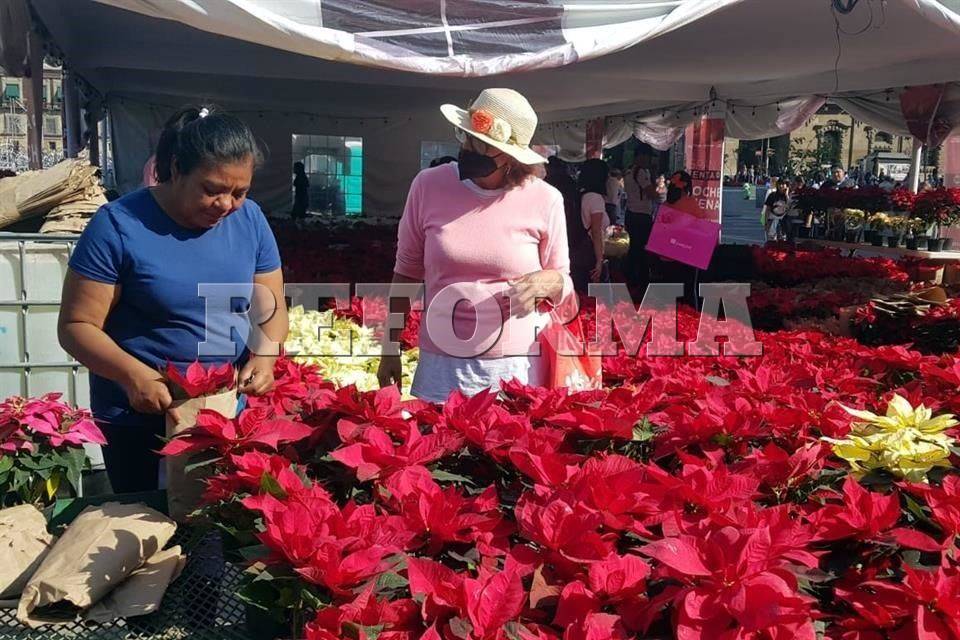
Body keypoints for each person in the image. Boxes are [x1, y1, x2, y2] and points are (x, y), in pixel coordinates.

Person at [58, 105, 288, 493]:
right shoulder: (118, 225)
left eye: (240, 192)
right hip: (139, 413)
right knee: (142, 527)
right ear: (177, 168)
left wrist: (265, 356)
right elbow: (77, 326)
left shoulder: (251, 221)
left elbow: (272, 307)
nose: (227, 204)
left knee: (211, 530)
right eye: (212, 189)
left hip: (220, 409)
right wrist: (134, 376)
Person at [377, 88, 573, 402]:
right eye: (466, 138)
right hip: (442, 366)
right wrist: (390, 347)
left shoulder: (545, 199)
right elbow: (406, 274)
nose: (470, 148)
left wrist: (548, 280)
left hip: (516, 369)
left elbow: (563, 283)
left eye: (482, 144)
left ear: (510, 156)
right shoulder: (428, 185)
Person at [574, 159, 611, 292]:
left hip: (580, 251)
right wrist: (599, 261)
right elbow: (596, 231)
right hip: (591, 253)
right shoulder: (595, 198)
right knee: (599, 299)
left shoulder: (582, 195)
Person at [622, 154, 656, 290]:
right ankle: (640, 280)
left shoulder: (629, 171)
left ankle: (630, 277)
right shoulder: (640, 172)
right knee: (642, 249)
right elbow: (652, 193)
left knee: (634, 248)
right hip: (641, 215)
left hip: (631, 213)